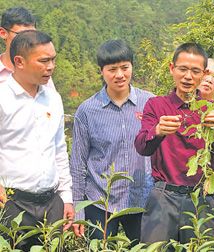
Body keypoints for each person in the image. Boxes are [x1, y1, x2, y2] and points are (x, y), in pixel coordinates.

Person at [134, 42, 214, 246]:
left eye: (195, 71)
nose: (188, 77)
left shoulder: (213, 108)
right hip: (164, 196)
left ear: (204, 73)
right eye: (182, 69)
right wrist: (158, 131)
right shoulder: (157, 105)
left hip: (201, 198)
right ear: (172, 69)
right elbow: (142, 146)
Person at [70, 40, 154, 245]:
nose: (120, 75)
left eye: (125, 68)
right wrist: (78, 209)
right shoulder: (87, 110)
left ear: (132, 67)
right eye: (112, 69)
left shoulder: (150, 102)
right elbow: (78, 163)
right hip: (100, 201)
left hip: (142, 198)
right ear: (102, 71)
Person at [0, 30, 73, 250]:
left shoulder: (52, 98)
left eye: (53, 59)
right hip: (13, 203)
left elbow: (59, 148)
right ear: (19, 62)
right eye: (44, 61)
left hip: (51, 204)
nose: (51, 66)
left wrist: (66, 197)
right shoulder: (3, 98)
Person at [0, 7, 55, 88]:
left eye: (32, 34)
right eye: (22, 35)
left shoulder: (40, 71)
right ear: (3, 33)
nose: (29, 41)